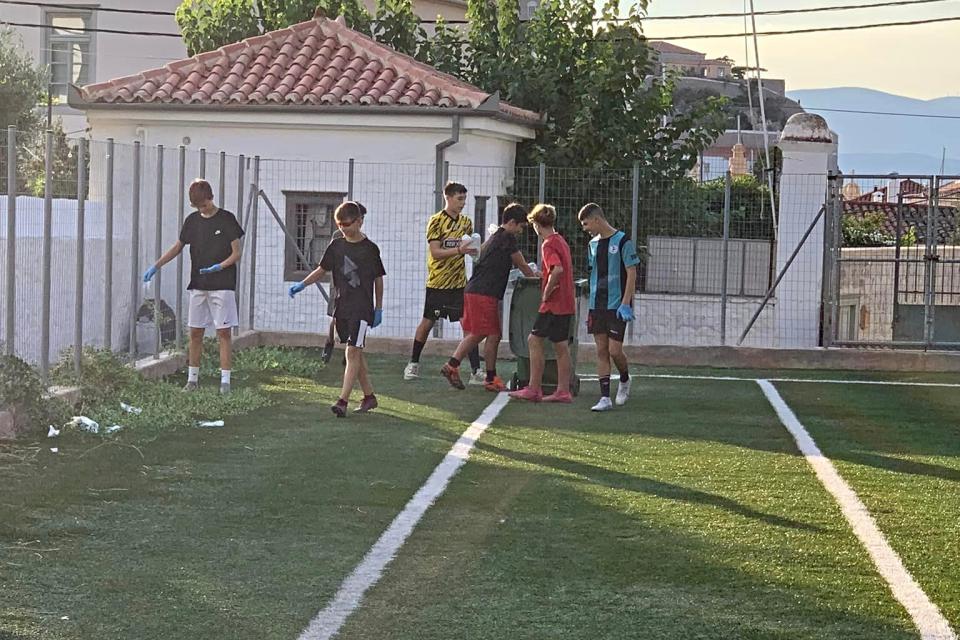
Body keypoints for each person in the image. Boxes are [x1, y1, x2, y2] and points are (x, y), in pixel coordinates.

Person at [143, 178, 243, 394]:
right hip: (198, 284)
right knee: (195, 332)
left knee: (223, 332)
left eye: (204, 205)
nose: (202, 209)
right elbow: (177, 247)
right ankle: (192, 380)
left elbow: (237, 253)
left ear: (211, 198)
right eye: (198, 207)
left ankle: (225, 382)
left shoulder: (227, 219)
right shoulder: (192, 221)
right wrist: (156, 266)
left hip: (223, 284)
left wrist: (219, 266)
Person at [288, 201, 385, 417]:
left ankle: (342, 401)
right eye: (339, 225)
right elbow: (321, 270)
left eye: (347, 224)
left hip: (362, 308)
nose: (343, 229)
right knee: (355, 353)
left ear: (359, 222)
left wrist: (378, 308)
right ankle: (369, 397)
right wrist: (302, 284)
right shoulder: (336, 246)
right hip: (342, 306)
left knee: (352, 351)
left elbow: (378, 279)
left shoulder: (370, 249)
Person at [440, 203, 537, 391]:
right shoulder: (507, 238)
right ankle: (452, 365)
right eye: (520, 226)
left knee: (493, 334)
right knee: (480, 332)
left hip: (478, 291)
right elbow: (522, 265)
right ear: (511, 222)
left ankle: (491, 378)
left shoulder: (496, 236)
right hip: (483, 293)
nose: (520, 231)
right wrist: (535, 279)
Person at [403, 181, 482, 382]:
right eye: (459, 199)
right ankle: (413, 363)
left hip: (459, 283)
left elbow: (469, 250)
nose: (462, 203)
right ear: (448, 197)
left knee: (468, 325)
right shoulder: (436, 221)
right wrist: (459, 250)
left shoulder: (466, 222)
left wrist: (475, 251)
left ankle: (475, 371)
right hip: (438, 282)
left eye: (464, 199)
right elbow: (436, 252)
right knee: (428, 322)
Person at [508, 204, 575, 403]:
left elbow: (557, 270)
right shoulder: (561, 241)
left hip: (553, 303)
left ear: (536, 225)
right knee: (561, 346)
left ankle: (534, 388)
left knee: (533, 340)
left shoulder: (548, 244)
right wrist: (543, 275)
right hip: (567, 302)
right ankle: (563, 390)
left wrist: (546, 292)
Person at [577, 203, 640, 411]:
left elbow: (631, 272)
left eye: (586, 223)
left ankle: (624, 379)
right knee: (601, 350)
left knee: (615, 350)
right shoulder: (592, 244)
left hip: (617, 305)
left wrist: (626, 303)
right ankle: (605, 398)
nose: (585, 228)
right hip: (597, 305)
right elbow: (593, 272)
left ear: (597, 219)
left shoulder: (623, 241)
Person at [321, 202, 367, 365]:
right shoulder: (338, 236)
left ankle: (349, 351)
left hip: (355, 286)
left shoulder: (363, 239)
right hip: (339, 282)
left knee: (355, 319)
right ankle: (329, 342)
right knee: (336, 316)